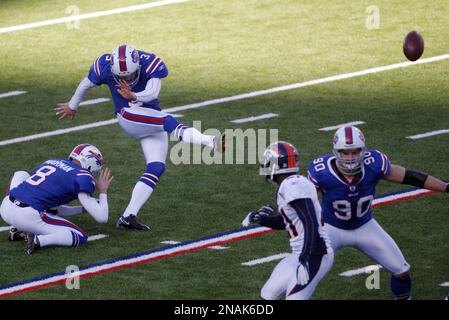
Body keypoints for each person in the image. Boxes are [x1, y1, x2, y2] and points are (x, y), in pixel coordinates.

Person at [244, 126, 449, 300]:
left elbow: (411, 177)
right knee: (303, 267)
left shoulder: (374, 163)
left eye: (355, 151)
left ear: (363, 151)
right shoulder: (320, 172)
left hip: (364, 225)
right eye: (345, 152)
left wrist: (446, 187)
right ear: (336, 152)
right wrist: (271, 219)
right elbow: (303, 213)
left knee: (402, 271)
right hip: (330, 229)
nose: (350, 157)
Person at [55, 44, 224, 231]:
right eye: (122, 77)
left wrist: (134, 94)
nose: (126, 79)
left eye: (130, 75)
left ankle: (128, 216)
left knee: (156, 167)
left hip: (149, 118)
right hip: (128, 115)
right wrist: (72, 105)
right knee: (169, 121)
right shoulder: (104, 65)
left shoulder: (150, 63)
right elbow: (87, 82)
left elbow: (153, 92)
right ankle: (211, 141)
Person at [243, 141, 334, 300]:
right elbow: (286, 222)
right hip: (301, 254)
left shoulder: (293, 185)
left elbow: (310, 221)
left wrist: (305, 259)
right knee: (268, 294)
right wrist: (261, 219)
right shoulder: (290, 184)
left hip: (315, 254)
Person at [0, 144, 113, 254]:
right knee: (80, 235)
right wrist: (103, 191)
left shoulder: (52, 161)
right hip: (28, 216)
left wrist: (81, 209)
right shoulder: (83, 176)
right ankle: (38, 241)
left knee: (21, 174)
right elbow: (102, 217)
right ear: (91, 162)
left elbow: (53, 209)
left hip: (6, 207)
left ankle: (15, 229)